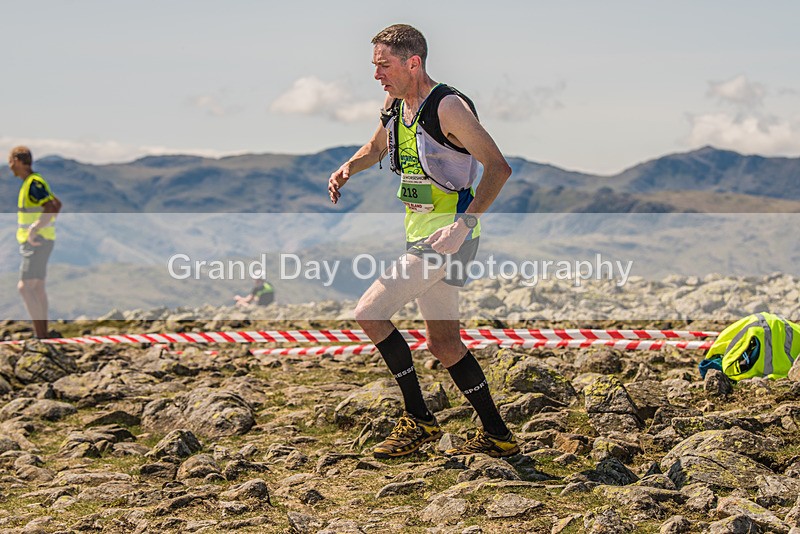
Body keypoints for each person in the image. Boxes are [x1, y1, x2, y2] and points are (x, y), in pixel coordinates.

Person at [328, 24, 518, 458]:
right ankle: (498, 435)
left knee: (370, 313)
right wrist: (348, 168)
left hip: (448, 239)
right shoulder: (396, 104)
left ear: (413, 62)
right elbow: (376, 147)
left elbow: (498, 168)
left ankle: (419, 419)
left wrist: (464, 225)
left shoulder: (447, 107)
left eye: (384, 65)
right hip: (422, 236)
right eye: (374, 65)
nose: (376, 74)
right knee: (443, 344)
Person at [10, 146, 62, 339]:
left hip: (36, 242)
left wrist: (35, 229)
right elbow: (57, 204)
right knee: (37, 287)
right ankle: (43, 335)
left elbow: (51, 207)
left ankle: (41, 337)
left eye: (11, 161)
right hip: (42, 240)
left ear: (18, 160)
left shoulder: (33, 183)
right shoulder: (33, 182)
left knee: (25, 287)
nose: (10, 166)